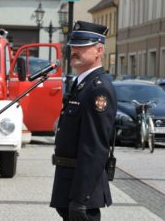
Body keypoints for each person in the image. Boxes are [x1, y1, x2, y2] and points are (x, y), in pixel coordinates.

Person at [50, 21, 117, 221]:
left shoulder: (98, 89)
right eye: (73, 46)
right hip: (68, 179)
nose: (74, 51)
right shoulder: (81, 84)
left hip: (82, 186)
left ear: (99, 50)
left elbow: (95, 147)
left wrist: (81, 197)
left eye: (82, 46)